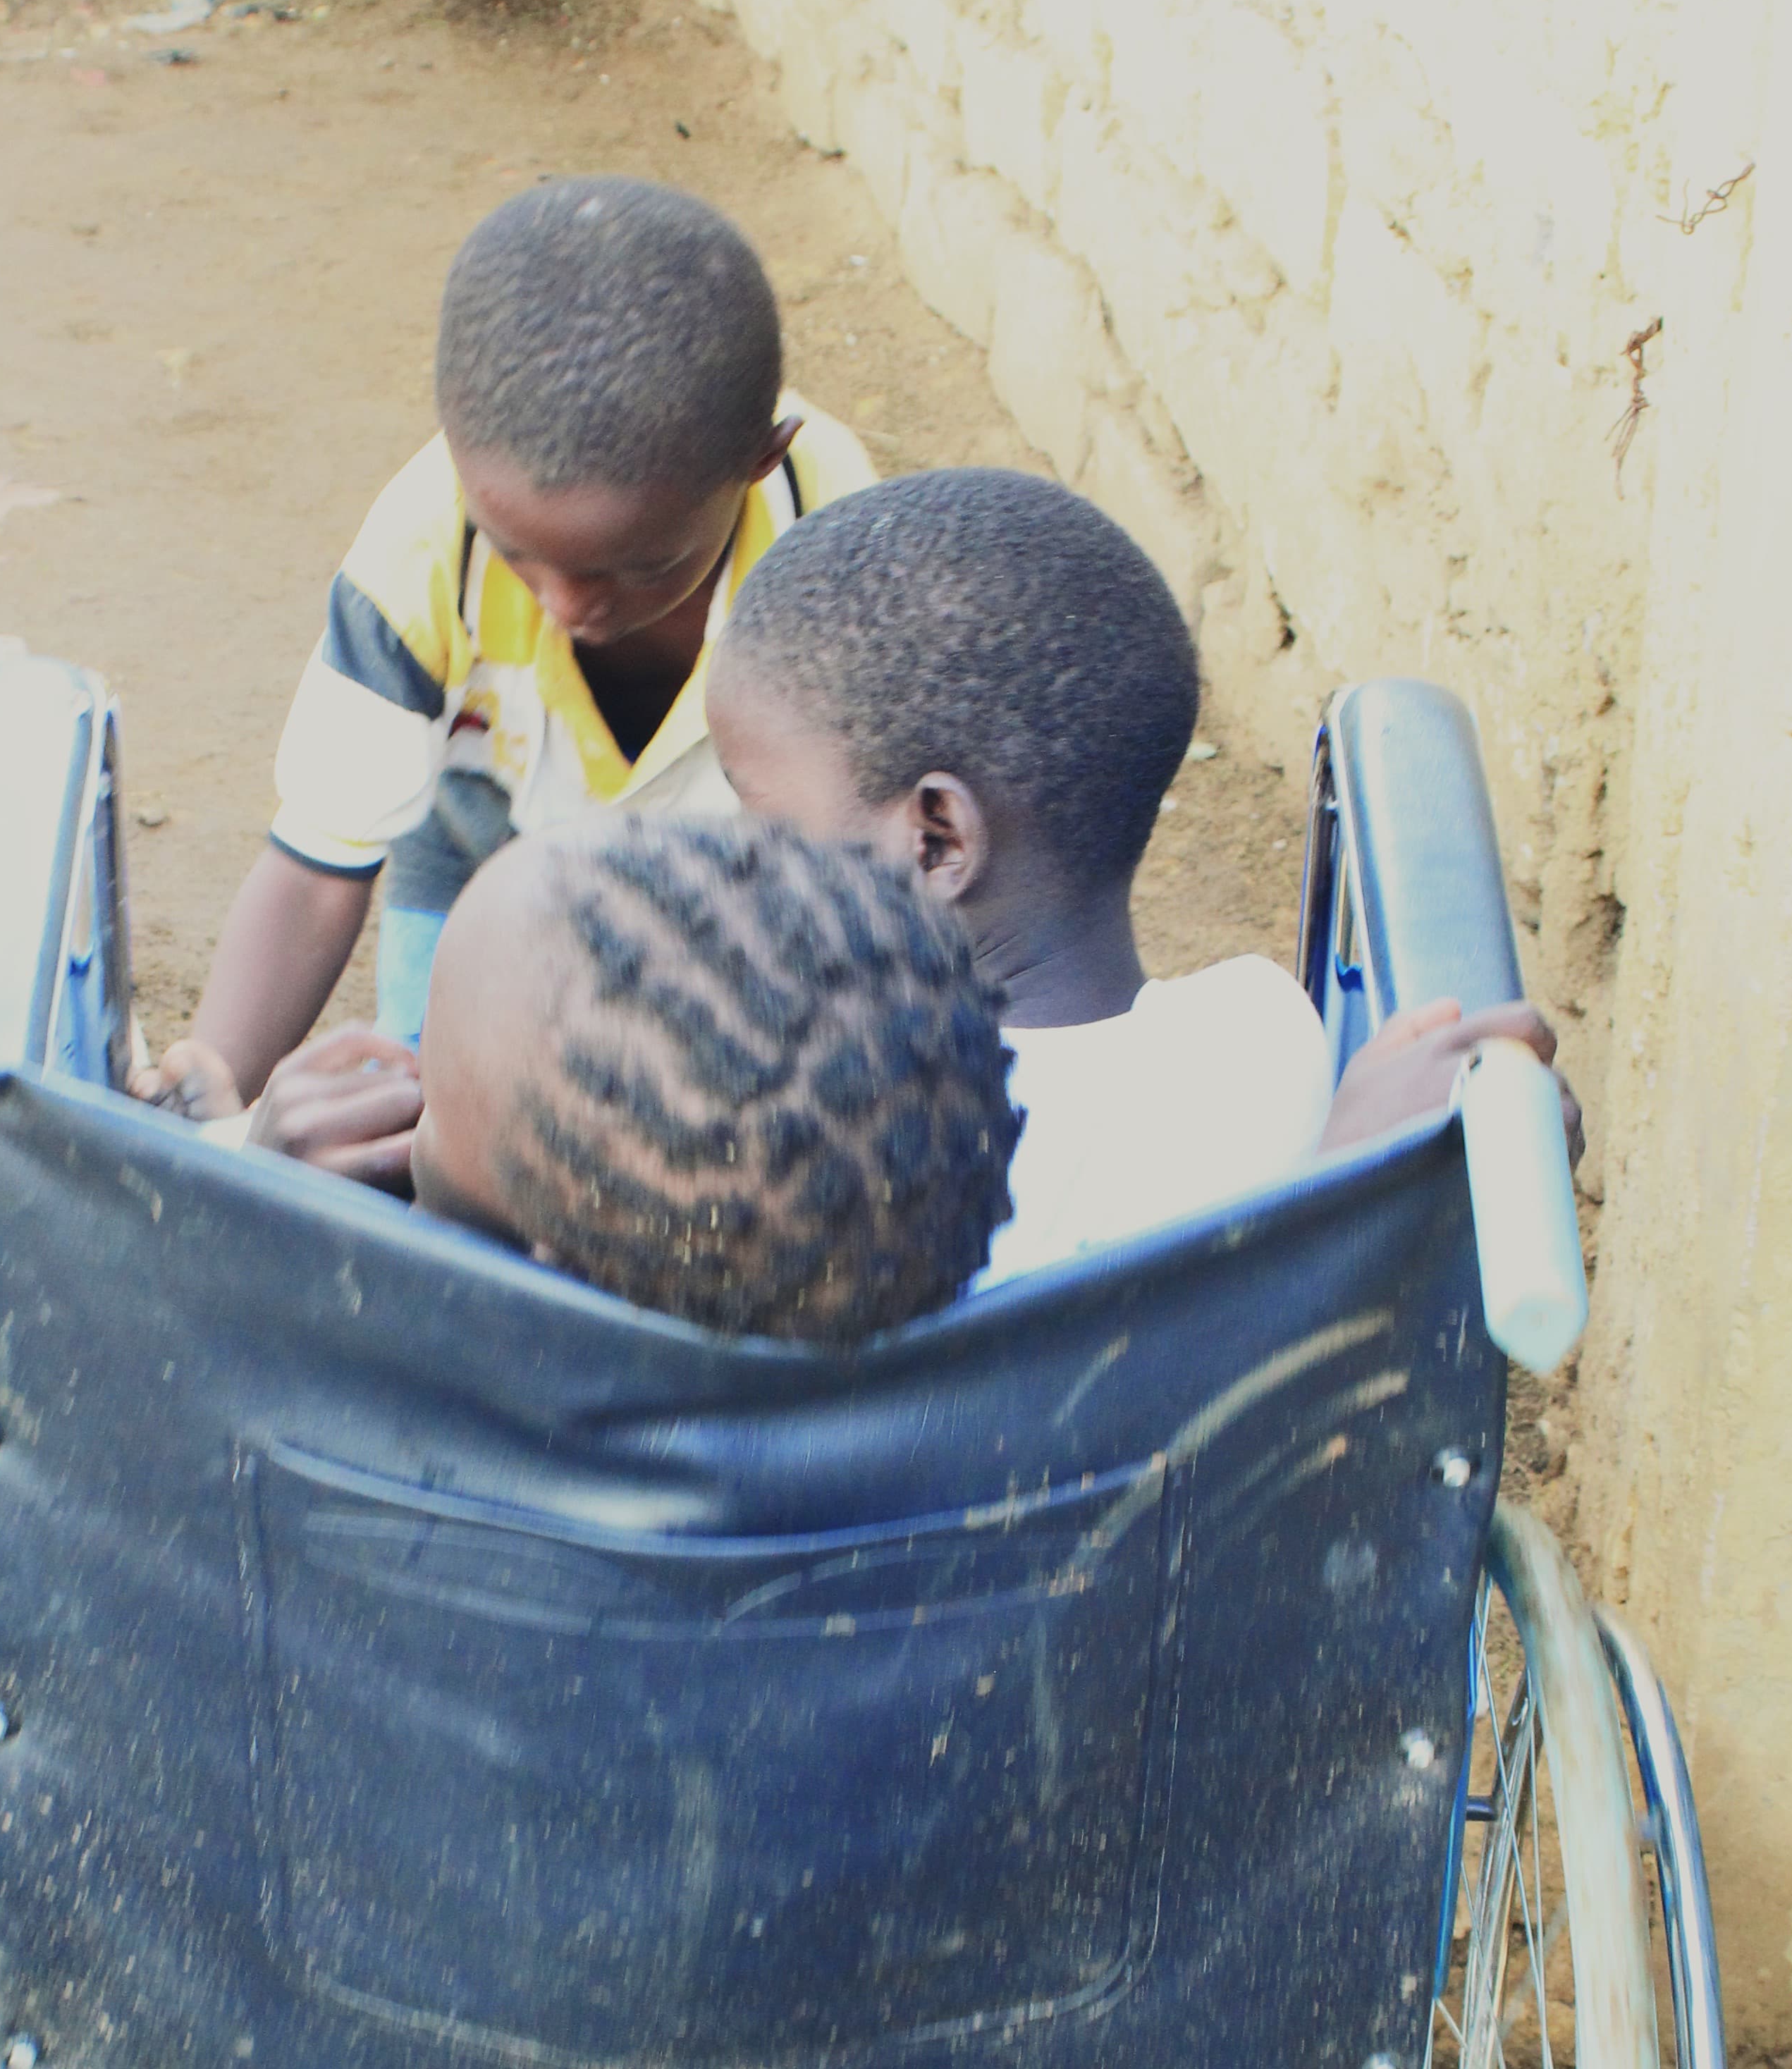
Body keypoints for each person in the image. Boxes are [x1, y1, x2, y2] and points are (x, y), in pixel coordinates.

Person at [136, 178, 876, 1173]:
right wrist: (214, 1101)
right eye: (518, 553)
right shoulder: (420, 551)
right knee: (444, 1135)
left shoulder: (842, 546)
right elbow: (316, 874)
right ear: (457, 448)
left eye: (642, 564)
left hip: (737, 902)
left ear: (759, 461)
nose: (572, 608)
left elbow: (861, 877)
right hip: (485, 880)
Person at [705, 467, 1576, 1284]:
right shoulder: (1261, 1043)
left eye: (758, 813)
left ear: (936, 841)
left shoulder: (800, 1140)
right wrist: (1355, 1182)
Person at [200, 816, 1021, 1344]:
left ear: (546, 1275)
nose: (406, 1109)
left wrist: (257, 1220)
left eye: (430, 1112)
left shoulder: (354, 1406)